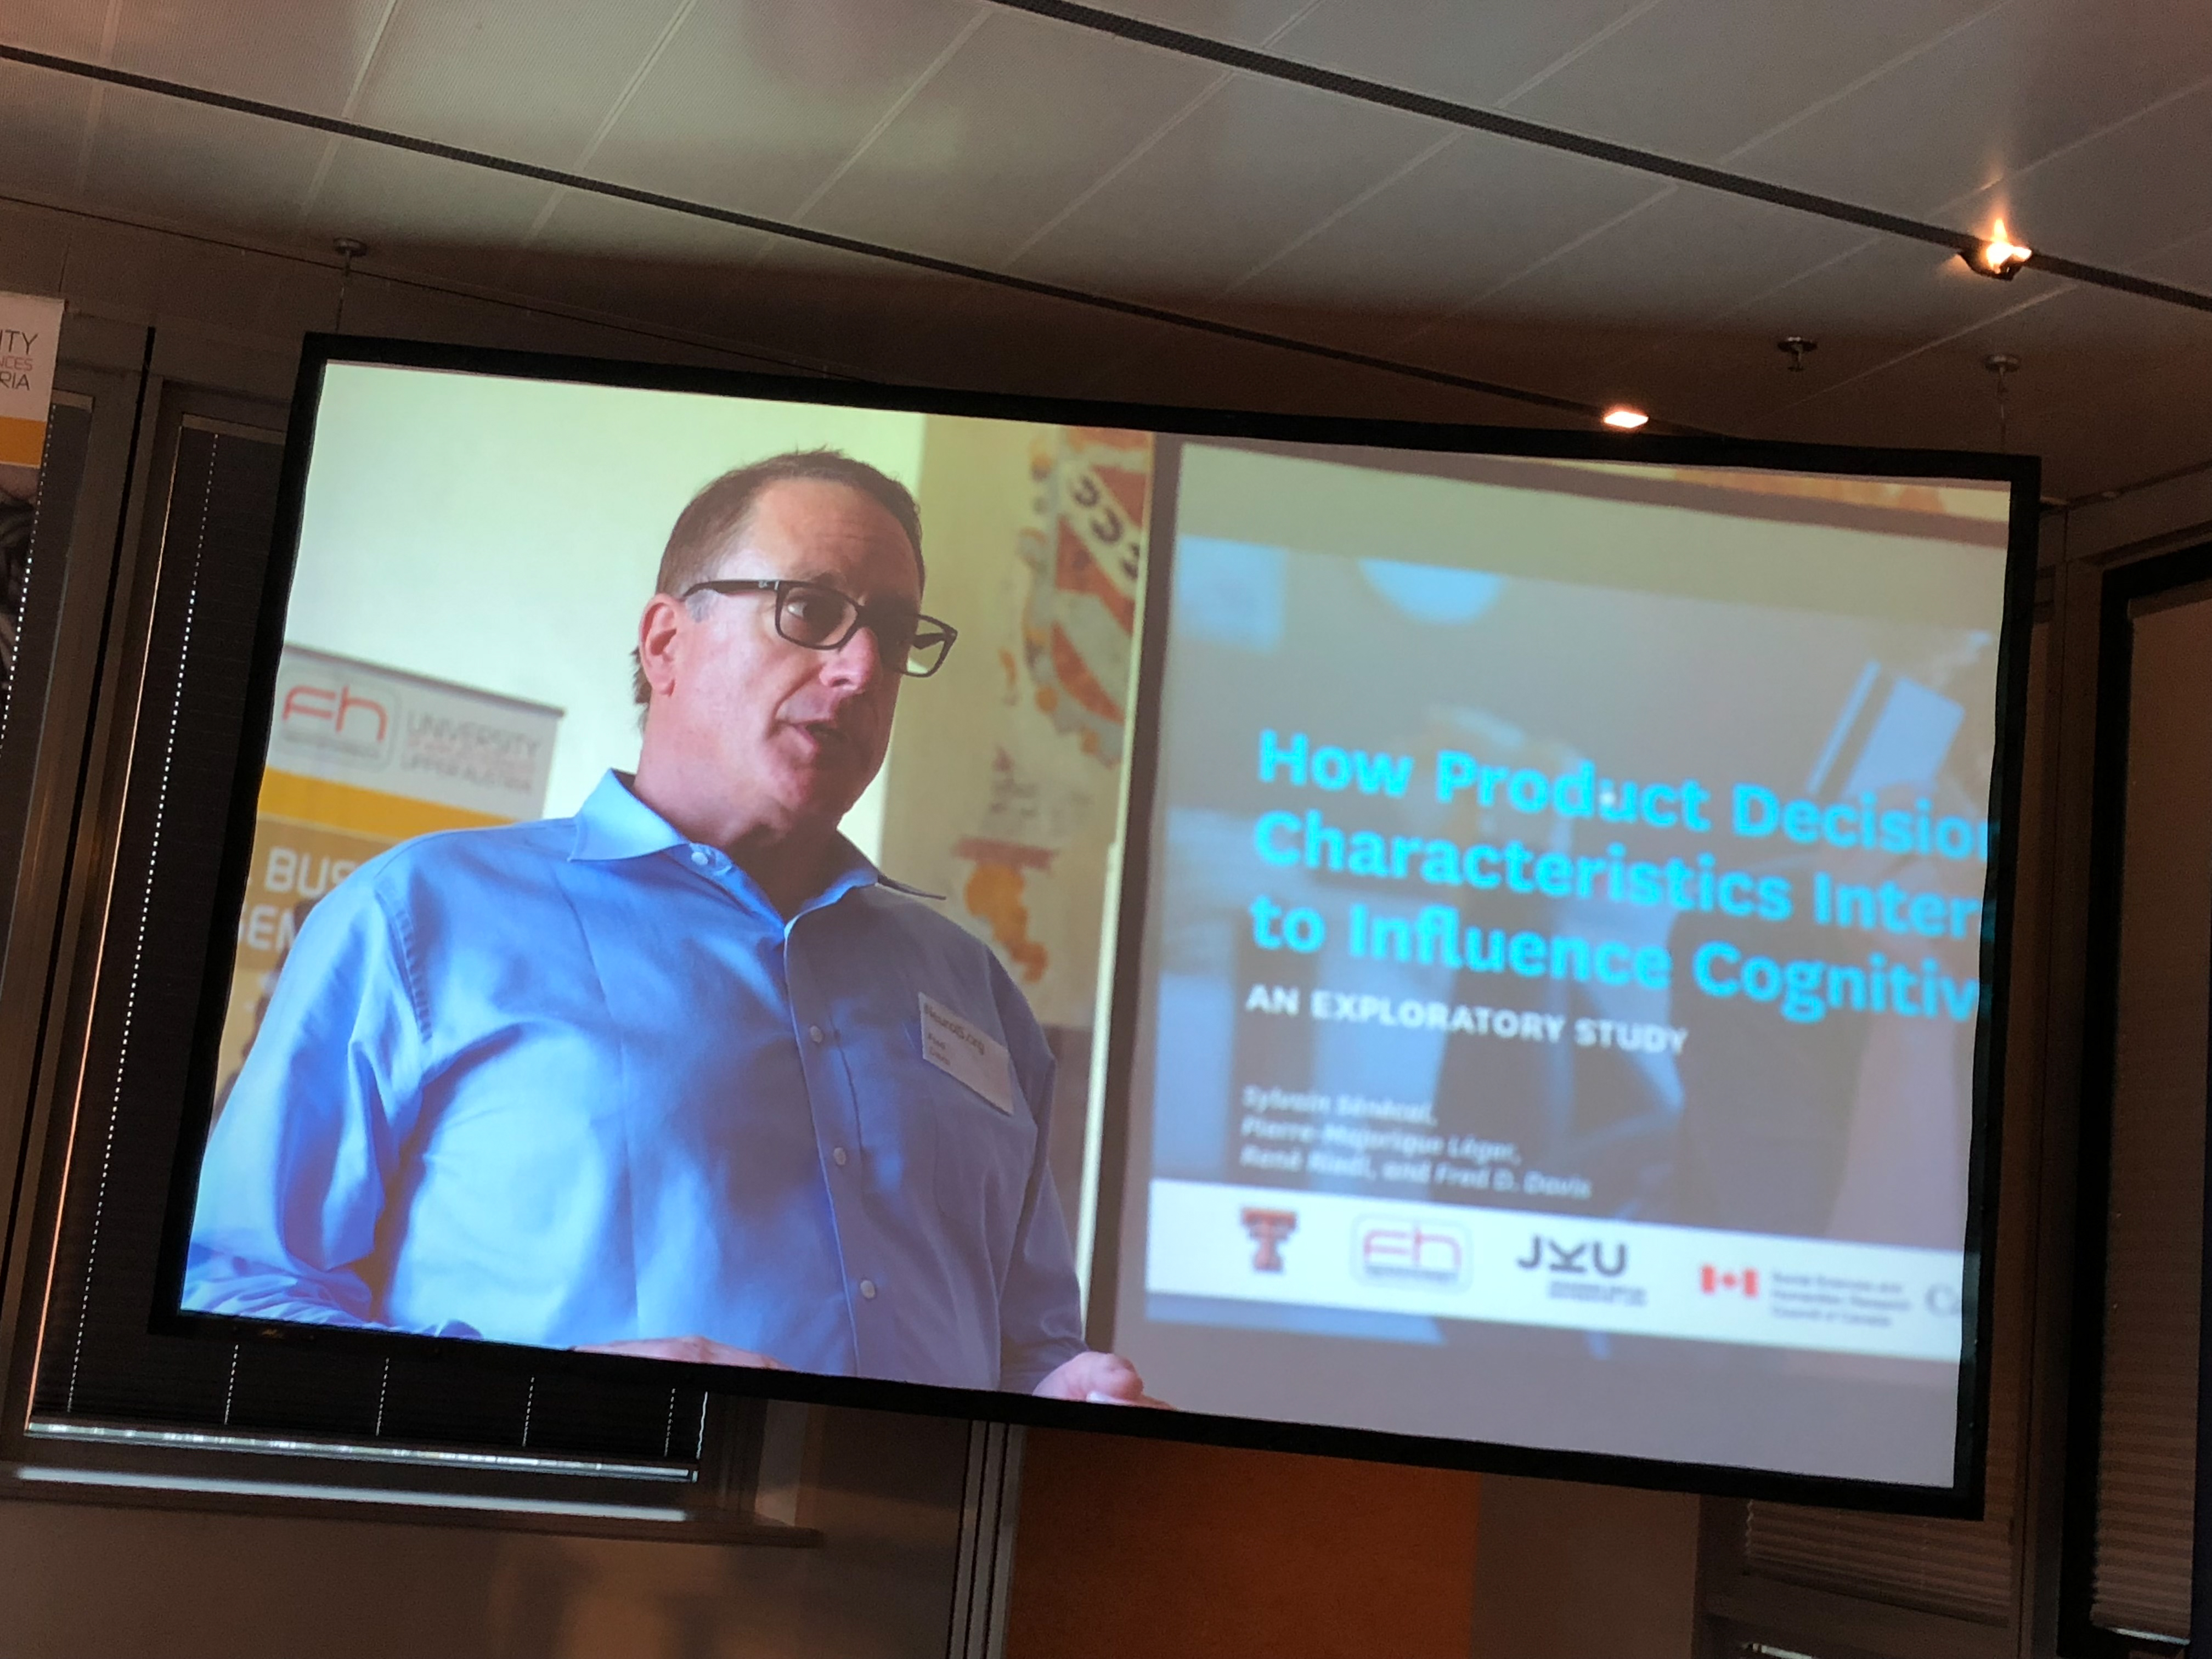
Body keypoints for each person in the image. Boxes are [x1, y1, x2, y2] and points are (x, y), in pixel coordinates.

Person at [186, 449, 1158, 1405]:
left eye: (895, 634)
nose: (862, 668)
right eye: (811, 610)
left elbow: (1027, 1347)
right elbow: (234, 1299)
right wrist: (550, 1398)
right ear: (666, 644)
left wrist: (1063, 1394)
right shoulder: (418, 917)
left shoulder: (973, 990)